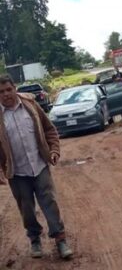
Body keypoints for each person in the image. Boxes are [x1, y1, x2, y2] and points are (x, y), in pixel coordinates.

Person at [0, 74, 73, 261]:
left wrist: (54, 150)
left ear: (15, 88)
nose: (6, 94)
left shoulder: (31, 106)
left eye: (8, 89)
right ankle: (35, 240)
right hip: (17, 173)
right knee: (26, 209)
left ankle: (60, 239)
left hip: (39, 165)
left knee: (50, 202)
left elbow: (49, 129)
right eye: (1, 92)